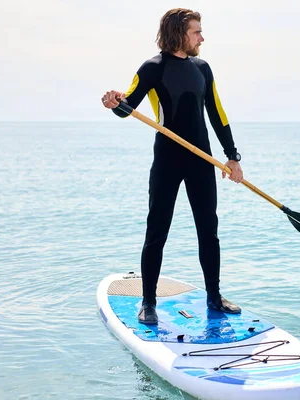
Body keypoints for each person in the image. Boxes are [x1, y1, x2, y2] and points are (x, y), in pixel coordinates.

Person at [101, 8, 243, 324]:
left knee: (209, 231)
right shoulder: (152, 69)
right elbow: (128, 107)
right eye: (196, 32)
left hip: (202, 160)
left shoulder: (203, 68)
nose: (202, 38)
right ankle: (148, 302)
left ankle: (214, 297)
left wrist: (232, 157)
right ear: (179, 33)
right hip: (167, 159)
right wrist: (114, 102)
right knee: (157, 230)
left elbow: (217, 114)